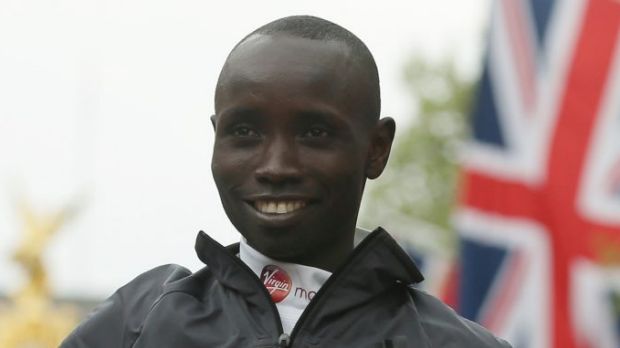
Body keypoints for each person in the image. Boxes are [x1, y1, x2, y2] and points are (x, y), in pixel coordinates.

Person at [61, 15, 511, 348]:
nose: (275, 165)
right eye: (245, 132)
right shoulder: (136, 323)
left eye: (315, 133)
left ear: (376, 149)